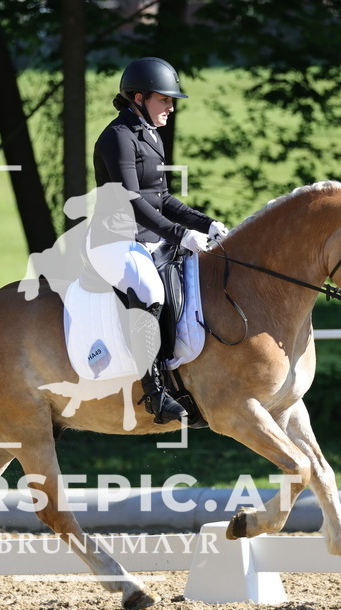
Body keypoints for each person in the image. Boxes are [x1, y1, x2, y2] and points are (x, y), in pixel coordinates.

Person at [91, 56, 227, 424]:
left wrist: (206, 223)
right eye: (164, 100)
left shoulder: (150, 135)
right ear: (138, 98)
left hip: (148, 239)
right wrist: (181, 234)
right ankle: (154, 391)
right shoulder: (117, 137)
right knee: (150, 290)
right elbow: (131, 201)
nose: (171, 107)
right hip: (113, 241)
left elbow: (162, 198)